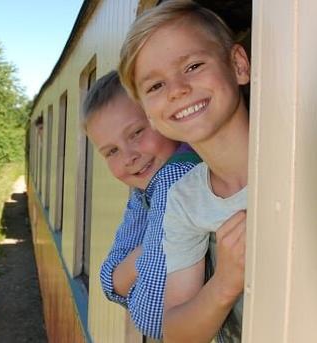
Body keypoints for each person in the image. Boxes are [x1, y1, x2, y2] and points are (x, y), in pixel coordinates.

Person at [118, 1, 250, 342]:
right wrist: (225, 282)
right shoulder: (184, 198)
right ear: (148, 114)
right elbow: (176, 333)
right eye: (155, 86)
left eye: (192, 66)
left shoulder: (298, 159)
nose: (177, 89)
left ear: (238, 65)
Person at [82, 70, 201, 339]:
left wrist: (128, 275)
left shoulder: (175, 179)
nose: (129, 158)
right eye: (111, 151)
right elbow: (108, 276)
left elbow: (155, 319)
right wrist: (140, 261)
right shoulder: (145, 188)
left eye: (136, 133)